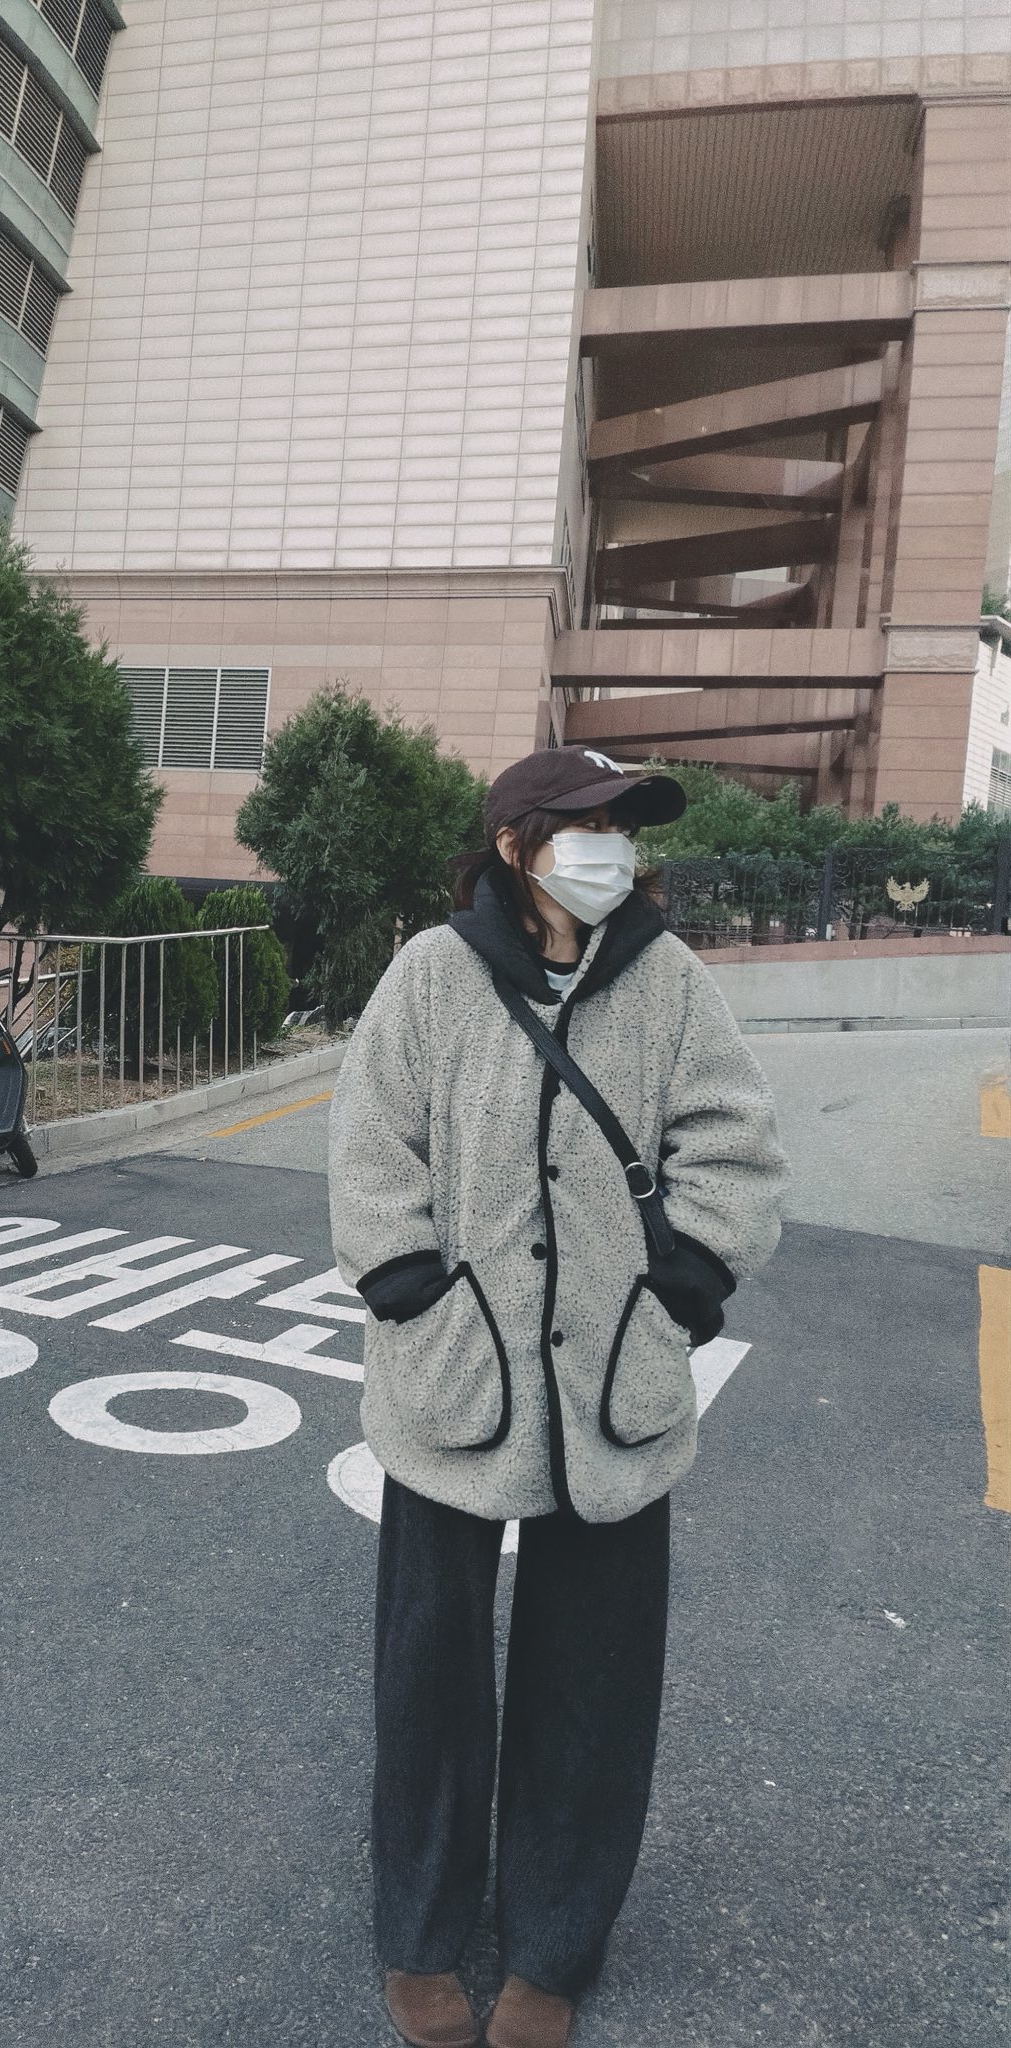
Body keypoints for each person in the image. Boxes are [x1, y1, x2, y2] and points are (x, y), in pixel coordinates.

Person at [327, 745, 787, 2048]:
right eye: (589, 824)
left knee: (594, 1687)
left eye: (627, 827)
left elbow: (735, 1141)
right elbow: (371, 1142)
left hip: (615, 1387)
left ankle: (553, 1946)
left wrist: (683, 1286)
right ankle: (421, 1933)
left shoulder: (670, 981)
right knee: (430, 1675)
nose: (613, 848)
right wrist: (414, 1289)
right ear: (517, 841)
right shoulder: (431, 974)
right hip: (450, 1382)